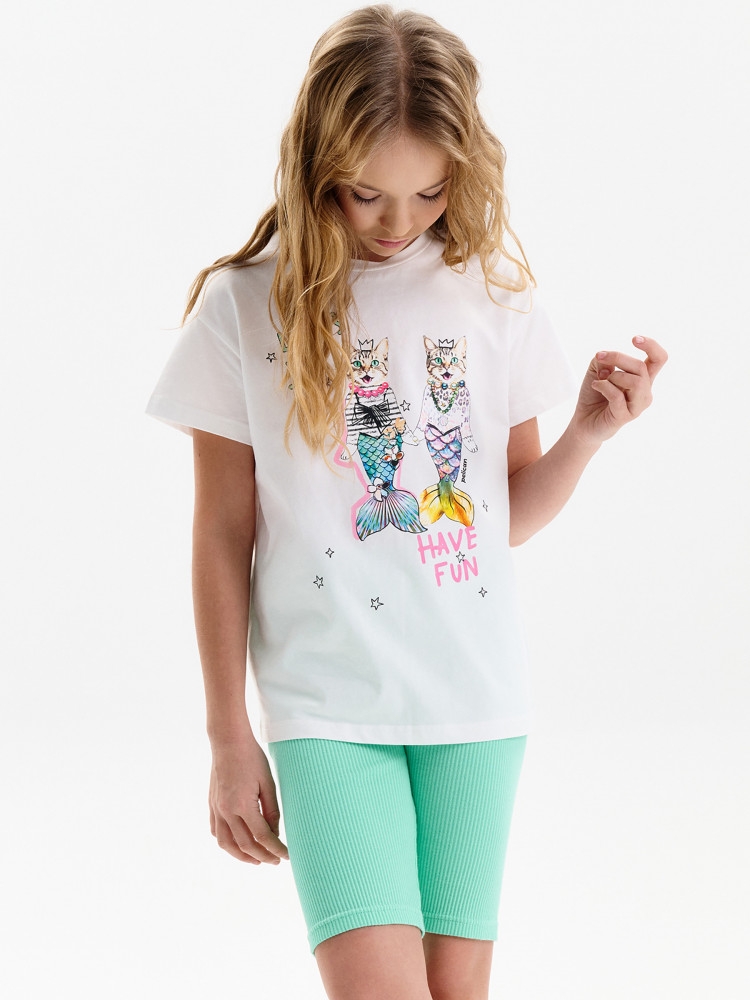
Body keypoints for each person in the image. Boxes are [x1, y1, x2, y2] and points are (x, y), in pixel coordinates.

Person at [144, 5, 667, 998]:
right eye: (366, 194)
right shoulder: (243, 304)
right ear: (316, 168)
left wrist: (588, 434)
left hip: (477, 705)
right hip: (326, 710)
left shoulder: (494, 295)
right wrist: (226, 732)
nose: (399, 224)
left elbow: (504, 517)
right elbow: (221, 534)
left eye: (429, 192)